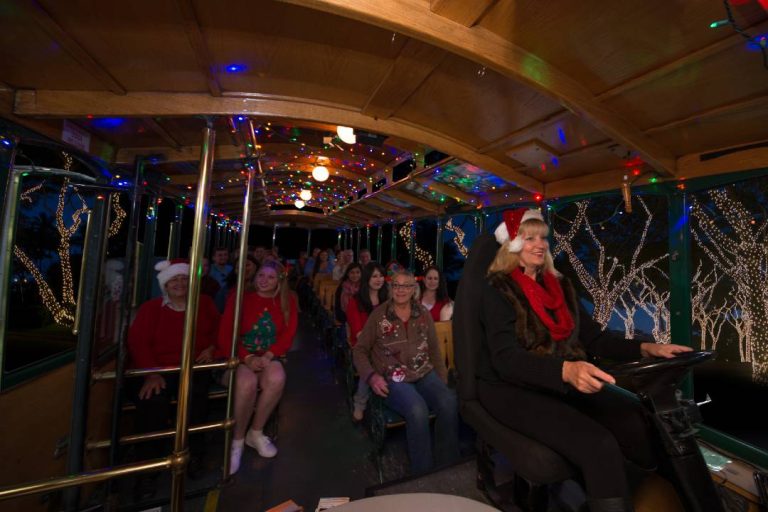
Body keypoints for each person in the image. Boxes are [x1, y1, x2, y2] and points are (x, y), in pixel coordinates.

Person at [475, 208, 692, 512]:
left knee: (636, 421)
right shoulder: (497, 290)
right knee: (598, 444)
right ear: (512, 245)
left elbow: (595, 339)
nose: (540, 244)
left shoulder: (560, 287)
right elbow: (506, 360)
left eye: (543, 238)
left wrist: (646, 348)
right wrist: (565, 370)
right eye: (529, 238)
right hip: (512, 387)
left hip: (562, 378)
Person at [127, 259, 220, 498]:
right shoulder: (151, 308)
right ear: (165, 285)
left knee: (196, 401)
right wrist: (151, 372)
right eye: (174, 279)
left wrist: (211, 348)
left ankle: (193, 455)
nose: (180, 283)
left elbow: (218, 332)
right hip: (158, 369)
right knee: (152, 403)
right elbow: (138, 342)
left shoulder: (205, 304)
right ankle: (147, 469)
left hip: (192, 368)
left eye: (184, 278)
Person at [353, 269, 460, 474]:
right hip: (394, 378)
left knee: (448, 402)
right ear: (391, 288)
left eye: (406, 285)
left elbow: (434, 350)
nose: (401, 290)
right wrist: (372, 377)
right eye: (396, 285)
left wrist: (442, 380)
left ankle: (449, 467)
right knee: (417, 410)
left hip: (423, 372)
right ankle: (423, 473)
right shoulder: (379, 315)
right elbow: (359, 350)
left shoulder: (423, 314)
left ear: (413, 289)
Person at [217, 259, 298, 474]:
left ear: (279, 281)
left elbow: (288, 334)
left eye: (271, 277)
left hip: (268, 356)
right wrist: (247, 358)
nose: (264, 280)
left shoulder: (287, 300)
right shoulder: (240, 299)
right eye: (261, 275)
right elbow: (226, 336)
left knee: (277, 377)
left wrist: (270, 355)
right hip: (239, 356)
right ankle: (237, 440)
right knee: (247, 382)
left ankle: (256, 431)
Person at [345, 262, 388, 421]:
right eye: (374, 276)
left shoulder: (386, 300)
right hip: (362, 345)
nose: (379, 279)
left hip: (383, 343)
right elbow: (358, 333)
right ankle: (360, 402)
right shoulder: (355, 302)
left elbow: (388, 325)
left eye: (381, 276)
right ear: (367, 278)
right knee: (371, 362)